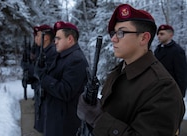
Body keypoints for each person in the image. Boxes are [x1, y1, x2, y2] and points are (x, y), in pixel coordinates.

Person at [77, 4, 185, 136]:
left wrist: (98, 119)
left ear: (144, 38)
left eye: (121, 32)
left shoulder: (163, 89)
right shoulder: (117, 73)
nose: (113, 39)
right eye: (113, 33)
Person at [35, 21, 88, 136]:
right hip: (56, 118)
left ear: (70, 39)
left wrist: (43, 77)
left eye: (59, 38)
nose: (55, 41)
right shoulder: (64, 56)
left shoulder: (76, 60)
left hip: (64, 124)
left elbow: (66, 91)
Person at [21, 24, 57, 134]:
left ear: (45, 37)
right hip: (40, 93)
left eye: (37, 35)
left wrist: (30, 68)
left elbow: (44, 72)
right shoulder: (42, 51)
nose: (35, 38)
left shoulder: (52, 52)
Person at [154, 24, 187, 97]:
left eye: (162, 34)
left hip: (171, 90)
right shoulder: (158, 50)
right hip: (158, 89)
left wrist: (180, 94)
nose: (159, 36)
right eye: (158, 34)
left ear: (170, 35)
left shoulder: (177, 51)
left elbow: (181, 74)